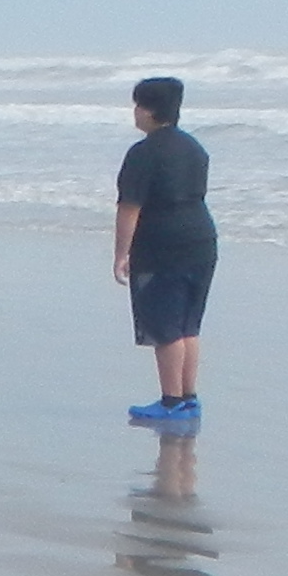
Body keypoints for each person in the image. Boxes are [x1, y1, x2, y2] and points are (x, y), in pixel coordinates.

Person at [112, 74, 215, 428]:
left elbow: (129, 207)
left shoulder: (143, 154)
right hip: (201, 239)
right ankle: (188, 397)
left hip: (162, 243)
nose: (135, 113)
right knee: (188, 324)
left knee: (165, 325)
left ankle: (170, 400)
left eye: (138, 106)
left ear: (150, 110)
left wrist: (120, 253)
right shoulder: (194, 148)